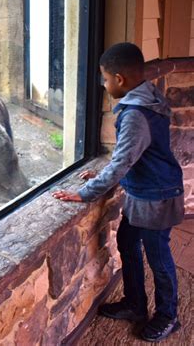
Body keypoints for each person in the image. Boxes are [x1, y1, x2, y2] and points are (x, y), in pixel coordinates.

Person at [52, 42, 184, 342]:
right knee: (127, 241)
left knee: (159, 259)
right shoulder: (148, 96)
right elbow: (132, 153)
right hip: (144, 191)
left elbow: (123, 161)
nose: (104, 83)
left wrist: (85, 193)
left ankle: (168, 316)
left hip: (157, 196)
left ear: (120, 80)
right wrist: (101, 173)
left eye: (106, 78)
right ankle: (136, 304)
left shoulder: (137, 114)